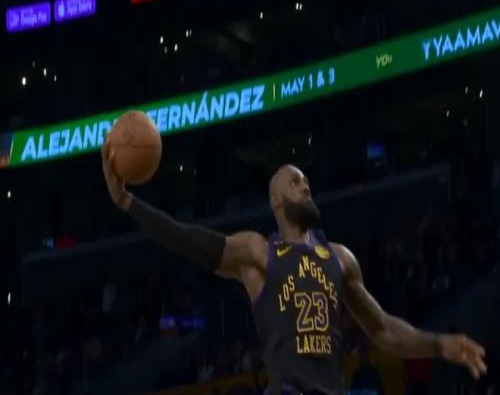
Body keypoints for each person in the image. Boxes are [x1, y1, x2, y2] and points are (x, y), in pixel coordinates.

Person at [101, 141, 487, 395]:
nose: (306, 186)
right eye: (296, 182)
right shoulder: (259, 253)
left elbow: (382, 329)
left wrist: (438, 344)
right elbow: (189, 240)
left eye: (306, 181)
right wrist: (129, 204)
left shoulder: (340, 258)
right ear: (276, 200)